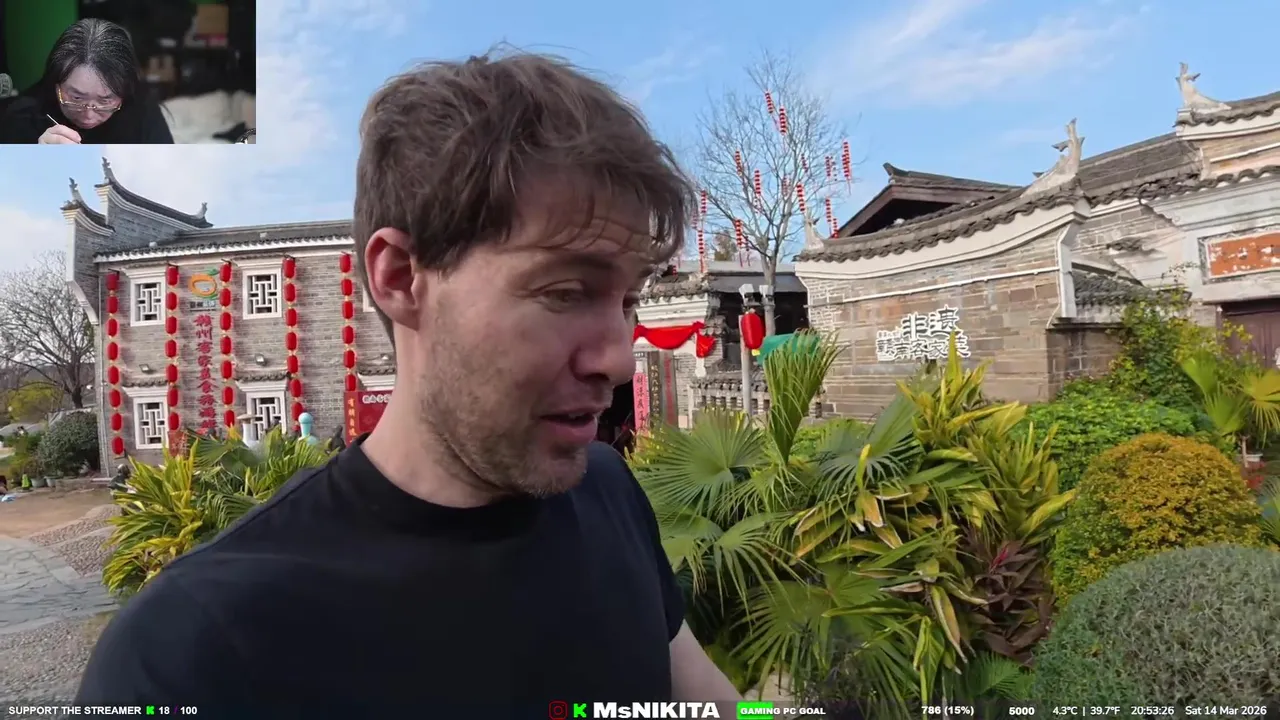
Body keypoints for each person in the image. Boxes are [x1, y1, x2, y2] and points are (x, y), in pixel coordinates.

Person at [75, 51, 742, 714]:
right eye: (566, 292)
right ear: (399, 278)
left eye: (628, 300)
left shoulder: (608, 492)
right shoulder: (192, 653)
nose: (619, 360)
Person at [0, 19, 173, 144]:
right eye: (76, 98)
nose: (88, 116)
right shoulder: (22, 117)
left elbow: (167, 172)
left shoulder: (142, 112)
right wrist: (34, 159)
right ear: (55, 83)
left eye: (105, 100)